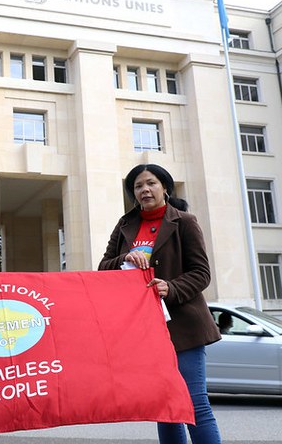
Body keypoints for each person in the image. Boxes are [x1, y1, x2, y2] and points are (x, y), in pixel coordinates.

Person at [98, 163, 221, 444]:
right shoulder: (125, 224)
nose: (145, 190)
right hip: (144, 329)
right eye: (138, 186)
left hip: (184, 326)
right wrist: (123, 259)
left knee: (194, 404)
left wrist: (171, 287)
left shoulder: (185, 221)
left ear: (165, 187)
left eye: (151, 183)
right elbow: (102, 269)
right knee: (164, 408)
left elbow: (201, 273)